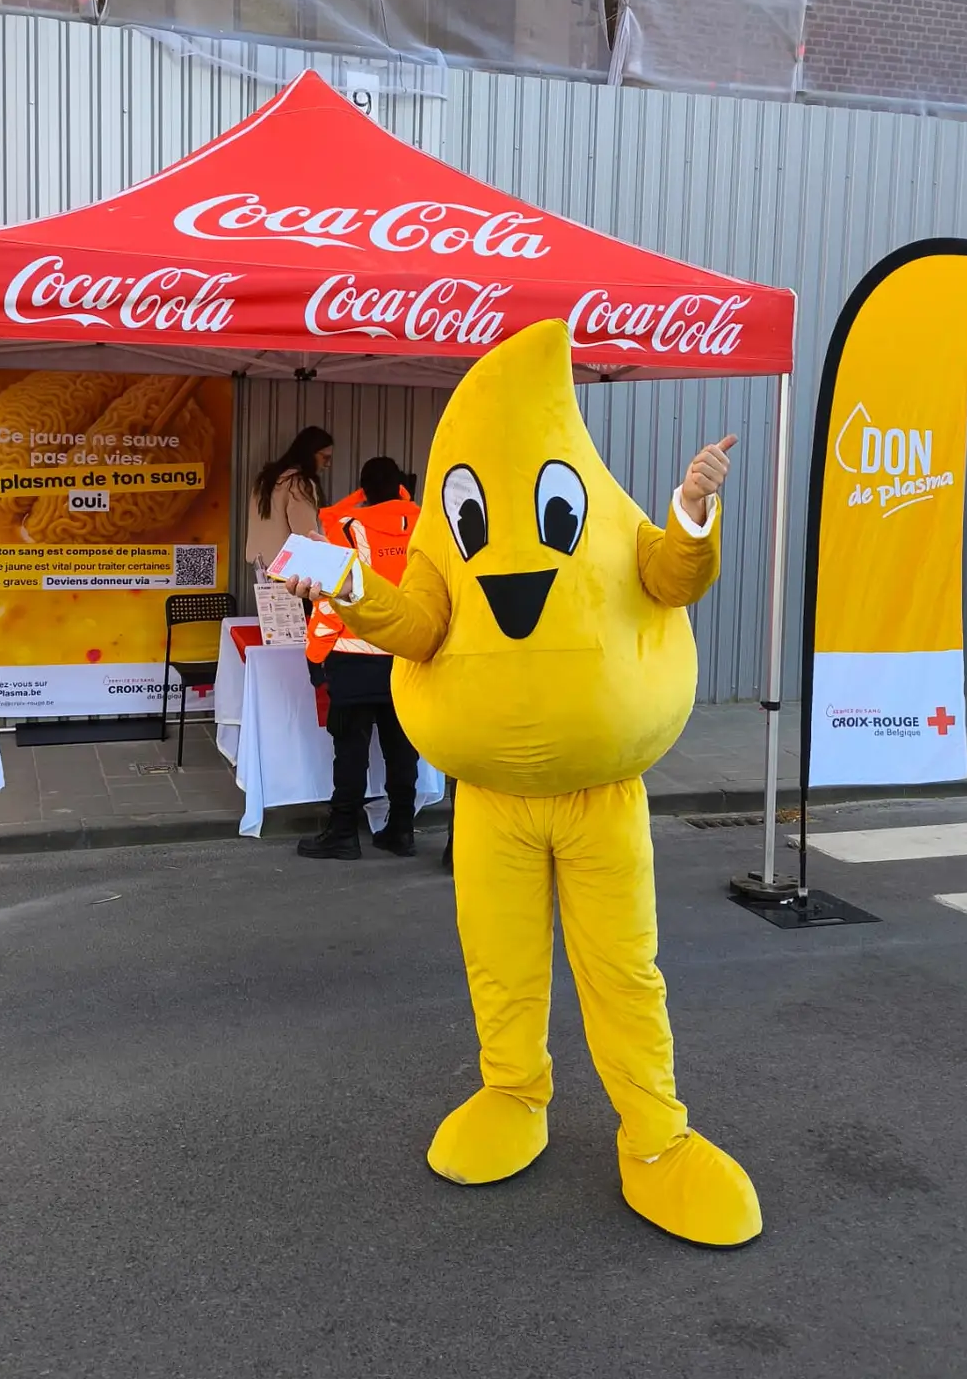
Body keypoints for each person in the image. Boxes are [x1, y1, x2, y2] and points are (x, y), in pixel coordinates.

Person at [286, 320, 760, 1249]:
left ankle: (655, 1134)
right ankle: (512, 1090)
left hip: (599, 798)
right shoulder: (438, 548)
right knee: (499, 963)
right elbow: (413, 623)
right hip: (490, 802)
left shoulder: (612, 513)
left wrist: (694, 509)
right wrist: (343, 585)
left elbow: (671, 574)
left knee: (622, 971)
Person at [297, 456, 421, 861]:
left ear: (363, 490)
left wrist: (316, 653)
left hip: (352, 658)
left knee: (350, 748)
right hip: (408, 657)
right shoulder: (427, 527)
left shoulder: (345, 528)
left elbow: (332, 601)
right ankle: (402, 829)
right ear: (403, 486)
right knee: (402, 748)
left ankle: (343, 832)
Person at [244, 426, 333, 576]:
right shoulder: (298, 483)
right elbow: (307, 536)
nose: (328, 464)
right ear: (310, 454)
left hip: (262, 569)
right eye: (325, 457)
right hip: (290, 573)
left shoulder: (265, 480)